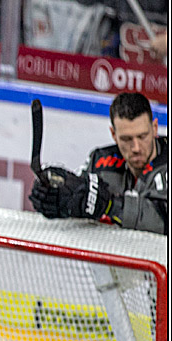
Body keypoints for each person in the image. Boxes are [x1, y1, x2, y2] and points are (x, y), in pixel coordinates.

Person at [30, 92, 167, 234]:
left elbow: (162, 221)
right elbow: (76, 196)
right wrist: (56, 194)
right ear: (113, 134)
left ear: (155, 128)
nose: (136, 148)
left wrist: (110, 204)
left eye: (142, 136)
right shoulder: (100, 161)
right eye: (126, 139)